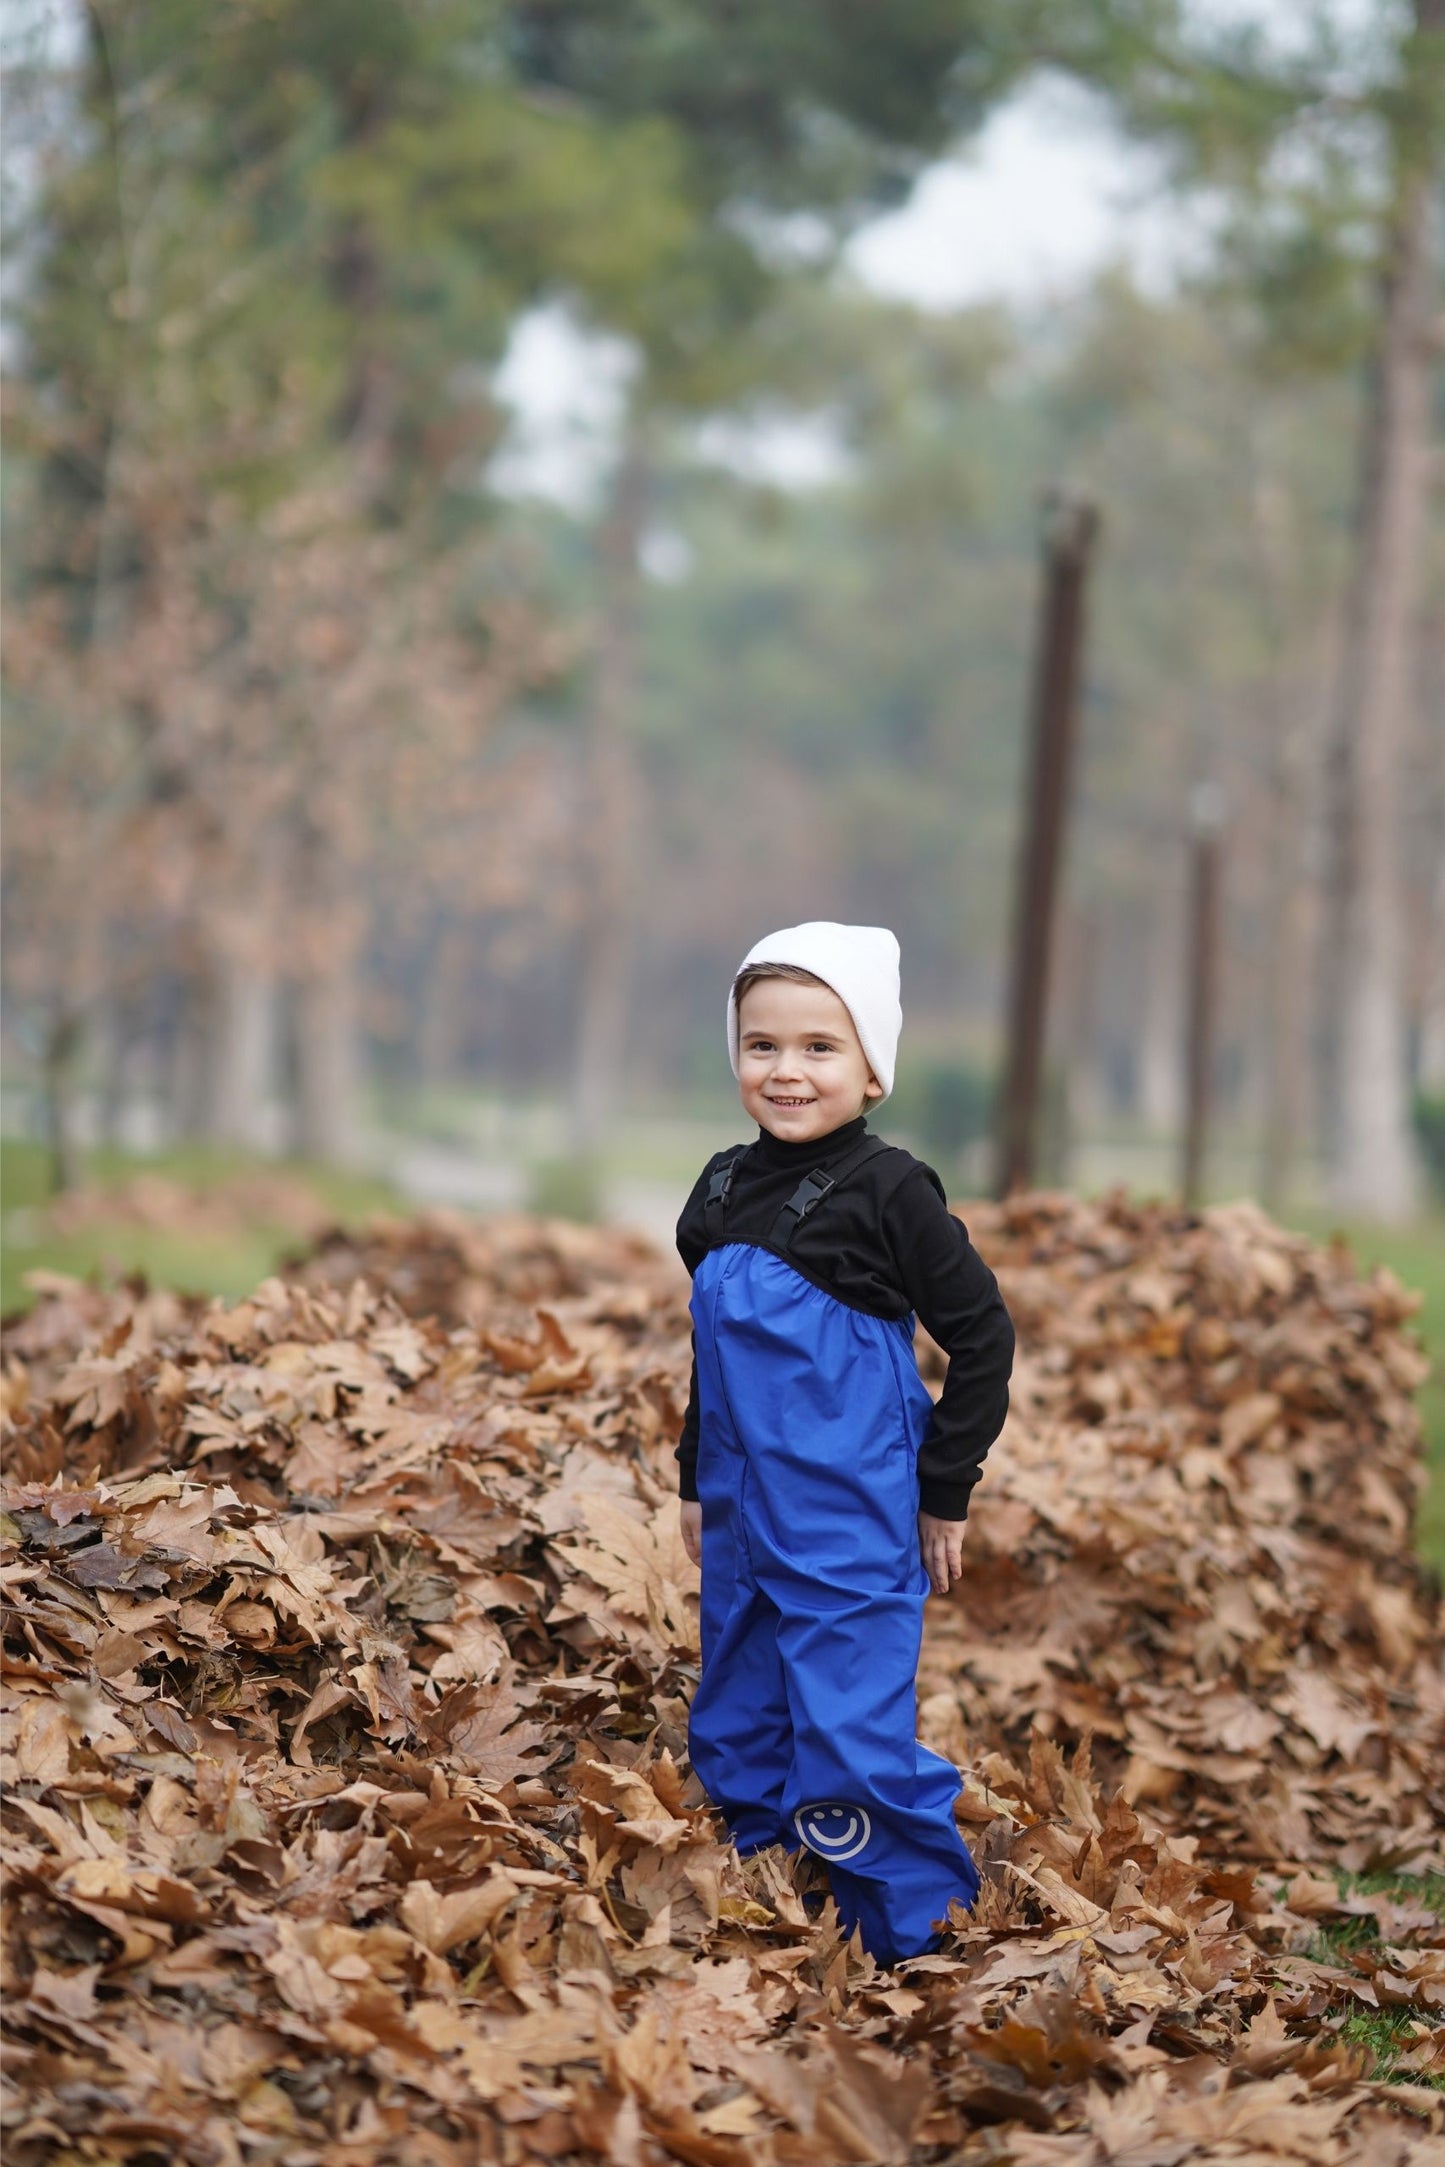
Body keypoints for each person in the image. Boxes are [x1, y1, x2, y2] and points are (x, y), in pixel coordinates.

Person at [674, 920, 1015, 1964]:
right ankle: (762, 1894)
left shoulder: (889, 1191)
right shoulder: (718, 1189)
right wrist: (694, 1480)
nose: (786, 1071)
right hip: (739, 1515)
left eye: (819, 1047)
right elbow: (712, 1356)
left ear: (871, 1068)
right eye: (761, 1044)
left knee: (846, 1727)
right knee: (736, 1710)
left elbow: (981, 1335)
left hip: (851, 1518)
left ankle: (907, 1933)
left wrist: (943, 1490)